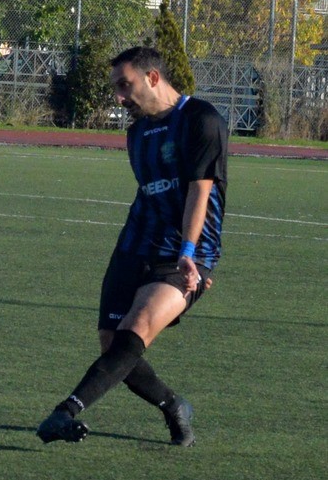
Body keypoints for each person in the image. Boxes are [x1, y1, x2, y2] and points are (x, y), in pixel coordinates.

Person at [37, 46, 227, 446]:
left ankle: (65, 411)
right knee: (113, 343)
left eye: (125, 85)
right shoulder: (136, 134)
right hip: (134, 245)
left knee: (136, 328)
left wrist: (189, 253)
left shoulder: (201, 119)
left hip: (185, 254)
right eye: (116, 88)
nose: (119, 97)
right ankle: (173, 405)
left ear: (153, 77)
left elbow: (200, 192)